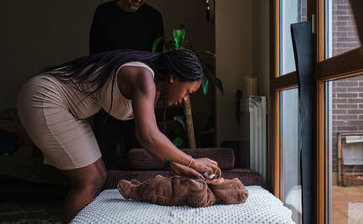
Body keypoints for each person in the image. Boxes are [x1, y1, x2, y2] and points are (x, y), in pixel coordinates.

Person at [17, 49, 219, 223]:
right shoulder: (144, 77)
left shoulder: (152, 84)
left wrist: (172, 163)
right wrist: (192, 162)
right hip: (45, 98)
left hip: (66, 109)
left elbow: (147, 135)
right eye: (187, 92)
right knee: (89, 180)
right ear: (174, 77)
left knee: (99, 176)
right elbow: (148, 135)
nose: (184, 99)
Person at [89, 0, 164, 169]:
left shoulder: (154, 17)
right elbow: (94, 55)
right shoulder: (104, 12)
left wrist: (153, 98)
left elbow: (157, 61)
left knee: (140, 152)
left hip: (139, 94)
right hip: (107, 93)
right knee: (104, 151)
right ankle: (100, 198)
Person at [117, 173, 249, 207]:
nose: (222, 178)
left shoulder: (210, 197)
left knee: (151, 190)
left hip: (169, 193)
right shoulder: (210, 186)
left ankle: (132, 192)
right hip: (172, 182)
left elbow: (198, 201)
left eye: (225, 181)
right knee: (152, 183)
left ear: (224, 190)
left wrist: (198, 188)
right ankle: (138, 186)